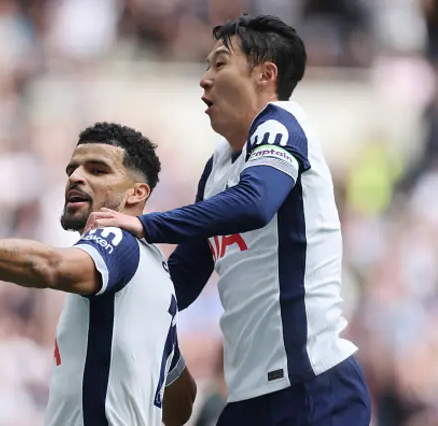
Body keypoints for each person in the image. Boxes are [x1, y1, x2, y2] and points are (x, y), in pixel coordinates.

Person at [84, 15, 372, 426]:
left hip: (313, 388)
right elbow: (182, 278)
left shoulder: (282, 122)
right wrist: (108, 293)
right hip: (248, 398)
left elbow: (256, 203)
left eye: (219, 64)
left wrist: (149, 225)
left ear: (265, 74)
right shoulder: (217, 167)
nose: (204, 79)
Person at [0, 122, 196, 426]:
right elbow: (181, 400)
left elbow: (48, 266)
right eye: (73, 169)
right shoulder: (157, 277)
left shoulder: (118, 241)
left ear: (137, 193)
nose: (76, 177)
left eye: (97, 170)